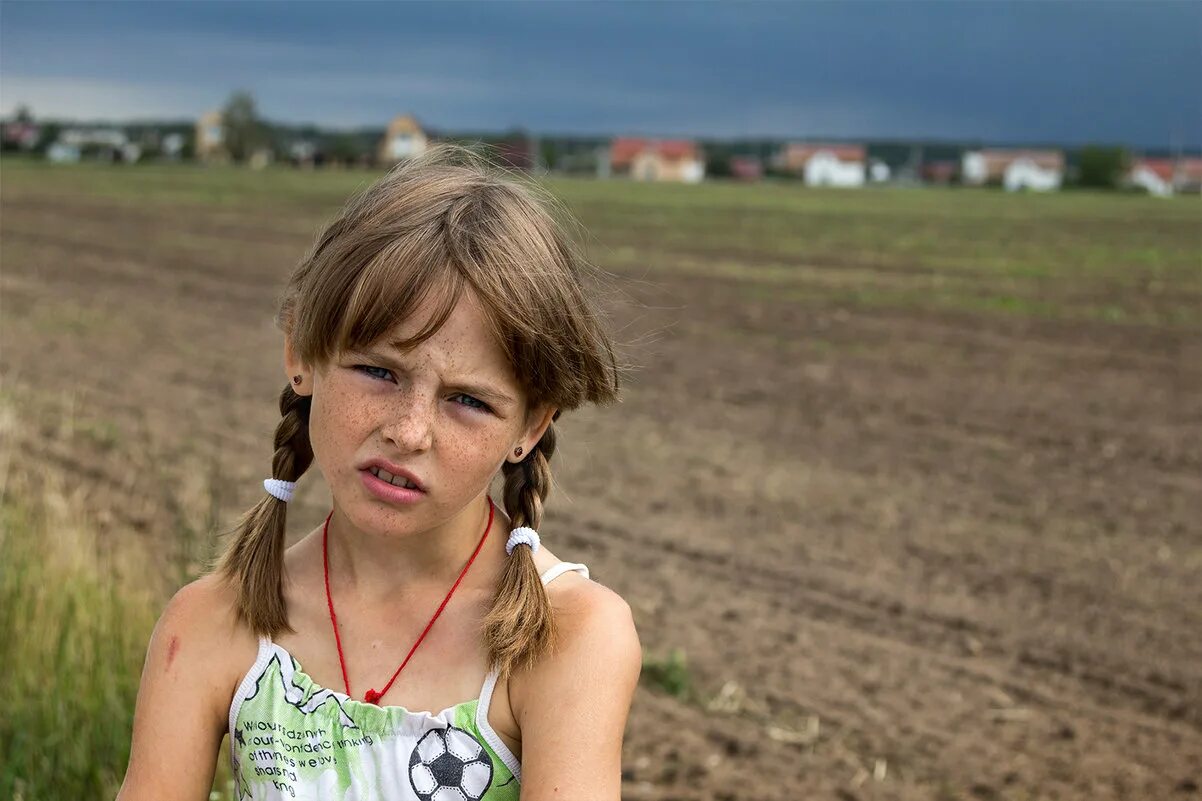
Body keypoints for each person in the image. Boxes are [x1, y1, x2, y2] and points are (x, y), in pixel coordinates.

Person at [117, 143, 642, 800]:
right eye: (379, 371)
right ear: (302, 354)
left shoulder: (569, 636)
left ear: (530, 426)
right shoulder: (210, 622)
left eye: (469, 401)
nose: (409, 430)